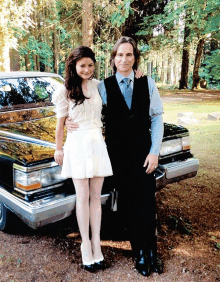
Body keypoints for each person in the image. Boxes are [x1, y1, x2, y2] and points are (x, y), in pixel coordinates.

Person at [66, 36, 164, 277]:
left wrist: (154, 151)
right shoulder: (103, 86)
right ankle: (139, 252)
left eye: (129, 55)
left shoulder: (147, 83)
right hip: (117, 155)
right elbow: (82, 103)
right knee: (129, 203)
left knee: (147, 201)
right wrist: (69, 120)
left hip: (144, 154)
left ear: (135, 58)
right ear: (113, 59)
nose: (124, 59)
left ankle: (151, 250)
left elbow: (157, 117)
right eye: (119, 55)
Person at [52, 46, 113, 272]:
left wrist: (136, 73)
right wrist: (59, 148)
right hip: (77, 144)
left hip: (97, 142)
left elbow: (119, 87)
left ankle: (97, 244)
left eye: (90, 65)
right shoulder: (64, 91)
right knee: (83, 196)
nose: (86, 69)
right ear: (73, 66)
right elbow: (61, 123)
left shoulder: (99, 87)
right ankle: (85, 246)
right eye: (82, 66)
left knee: (96, 197)